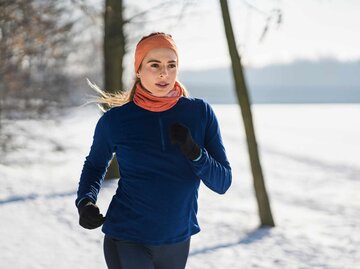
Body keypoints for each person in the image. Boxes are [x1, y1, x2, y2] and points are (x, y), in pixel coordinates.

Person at [75, 32, 232, 269]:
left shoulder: (200, 113)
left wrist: (195, 153)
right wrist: (85, 202)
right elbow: (95, 165)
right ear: (138, 70)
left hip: (177, 240)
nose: (164, 73)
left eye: (171, 65)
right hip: (128, 237)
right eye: (154, 65)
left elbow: (223, 183)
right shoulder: (116, 120)